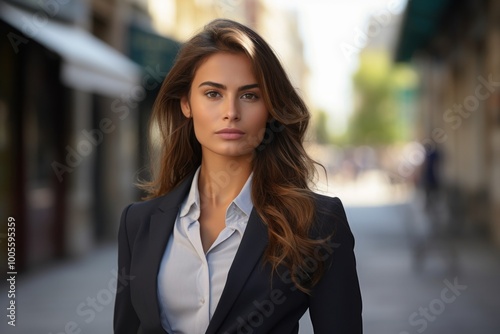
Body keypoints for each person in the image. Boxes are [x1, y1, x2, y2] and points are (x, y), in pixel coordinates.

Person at [113, 18, 362, 334]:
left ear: (270, 108)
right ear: (187, 104)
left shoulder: (318, 221)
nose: (231, 111)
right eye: (213, 94)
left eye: (249, 95)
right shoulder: (138, 223)